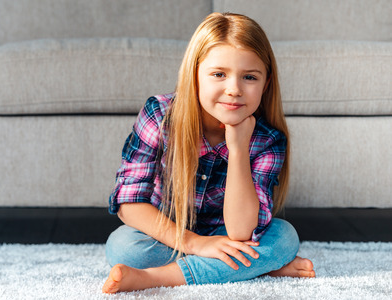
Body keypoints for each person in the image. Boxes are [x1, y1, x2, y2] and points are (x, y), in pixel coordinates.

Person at [102, 12, 315, 294]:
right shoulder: (160, 115)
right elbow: (129, 202)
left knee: (285, 238)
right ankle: (260, 268)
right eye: (218, 74)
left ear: (266, 83)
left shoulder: (267, 139)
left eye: (249, 77)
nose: (234, 90)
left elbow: (241, 233)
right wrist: (194, 243)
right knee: (124, 248)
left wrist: (238, 149)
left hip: (228, 236)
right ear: (195, 74)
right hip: (169, 234)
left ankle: (155, 278)